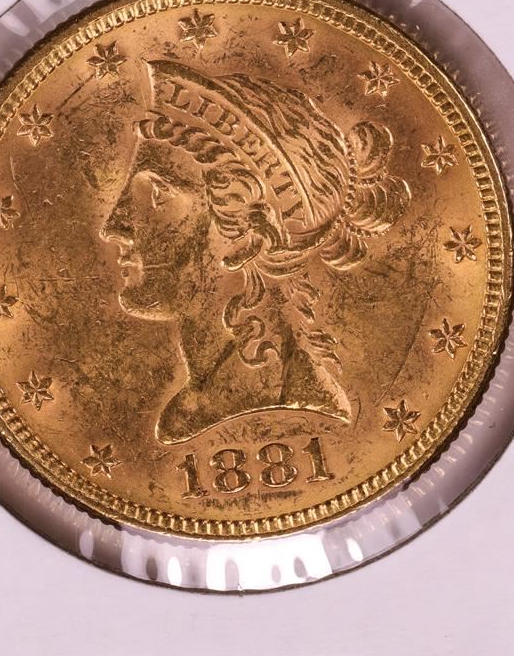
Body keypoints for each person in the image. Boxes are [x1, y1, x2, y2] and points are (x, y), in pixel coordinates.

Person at [101, 59, 410, 445]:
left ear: (247, 234)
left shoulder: (289, 410)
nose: (113, 227)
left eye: (158, 194)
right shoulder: (200, 405)